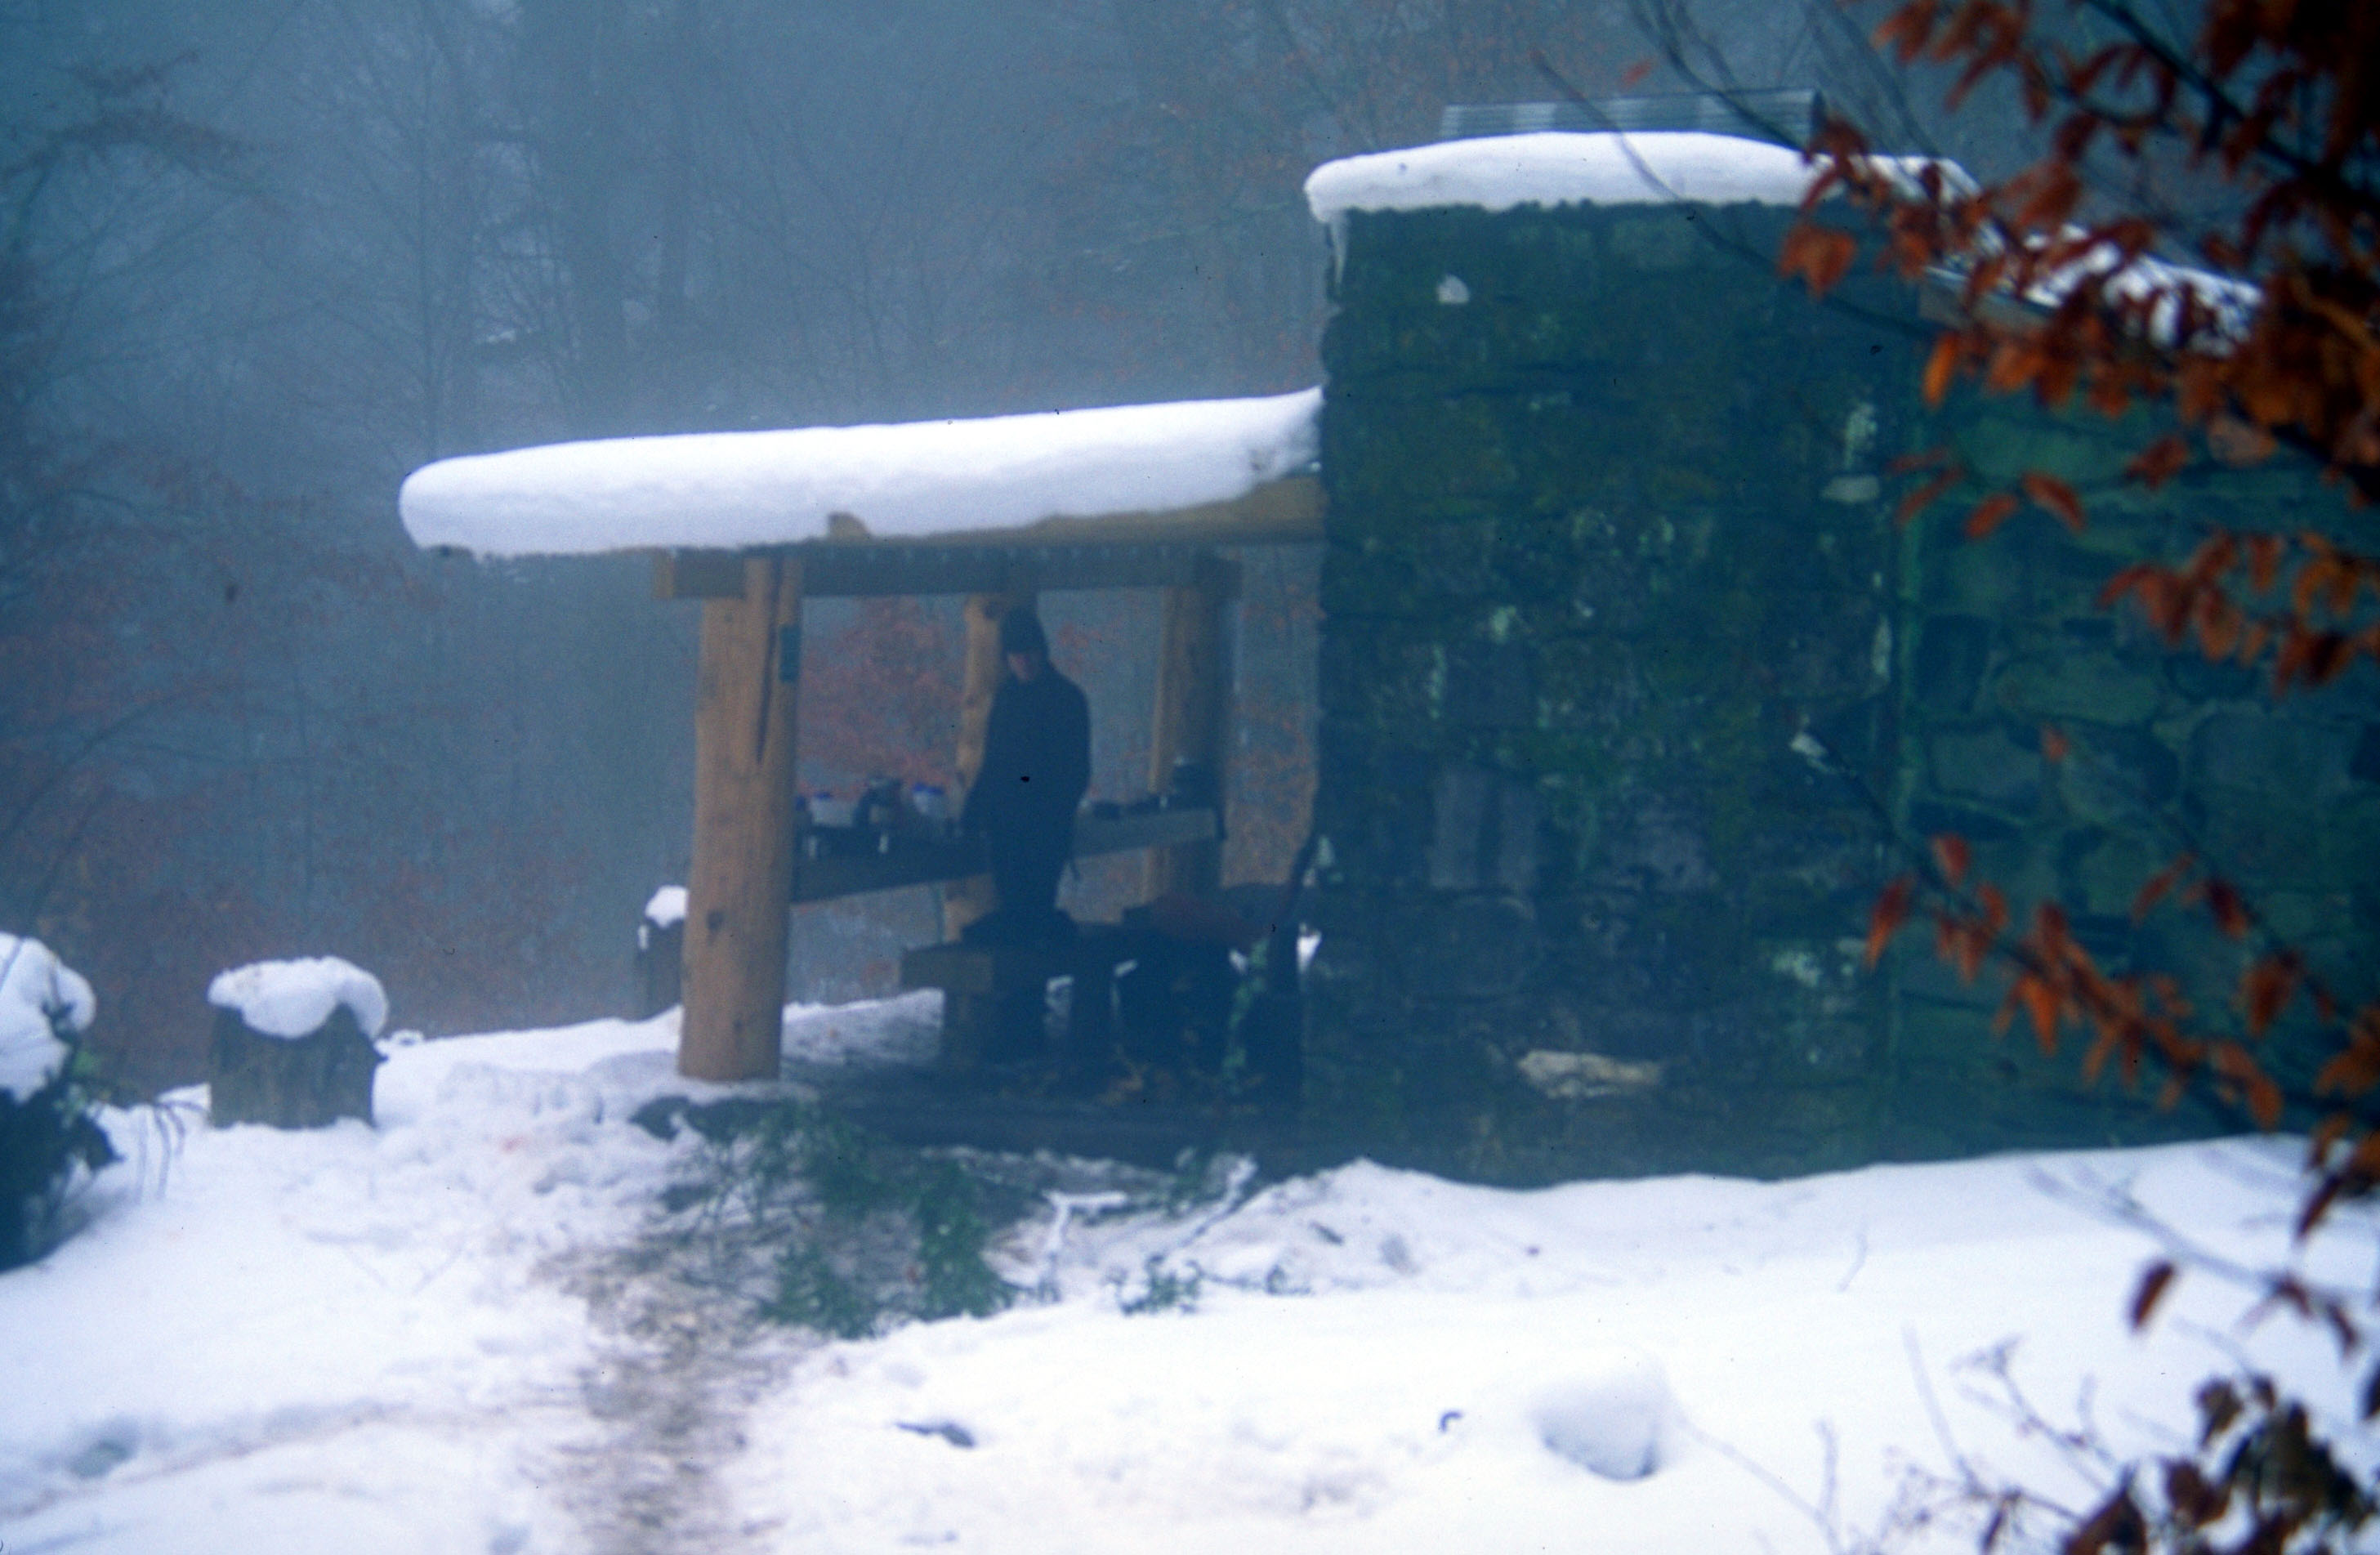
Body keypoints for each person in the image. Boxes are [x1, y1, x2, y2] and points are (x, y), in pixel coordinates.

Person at [961, 608, 1090, 945]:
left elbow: (1075, 770)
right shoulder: (1007, 699)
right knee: (1017, 913)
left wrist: (1051, 811)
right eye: (1016, 656)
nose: (1024, 663)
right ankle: (1019, 993)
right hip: (1005, 825)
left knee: (1033, 911)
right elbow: (993, 762)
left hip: (1045, 827)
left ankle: (1028, 993)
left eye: (1029, 653)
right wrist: (972, 814)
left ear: (1042, 652)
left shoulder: (1067, 700)